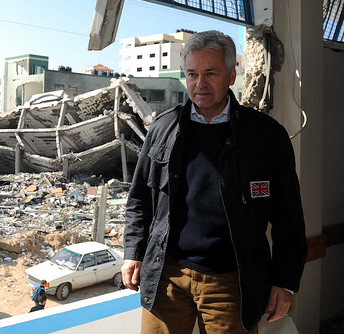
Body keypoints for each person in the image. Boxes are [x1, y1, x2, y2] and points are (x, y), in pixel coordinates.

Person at [122, 30, 308, 333]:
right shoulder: (163, 129)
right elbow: (139, 199)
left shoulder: (266, 136)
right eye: (192, 73)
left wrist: (285, 281)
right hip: (166, 274)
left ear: (232, 75)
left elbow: (289, 218)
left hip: (232, 282)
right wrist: (133, 252)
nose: (200, 83)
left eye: (211, 73)